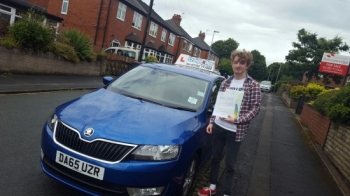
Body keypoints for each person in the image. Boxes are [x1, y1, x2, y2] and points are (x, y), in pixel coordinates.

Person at [198, 49, 261, 196]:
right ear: (232, 63)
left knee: (230, 165)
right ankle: (212, 187)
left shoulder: (253, 85)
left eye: (242, 62)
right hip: (219, 127)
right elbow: (218, 104)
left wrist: (237, 120)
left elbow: (255, 108)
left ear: (247, 65)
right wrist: (212, 122)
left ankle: (227, 193)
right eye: (235, 62)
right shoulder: (226, 82)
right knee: (215, 158)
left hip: (235, 131)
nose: (238, 65)